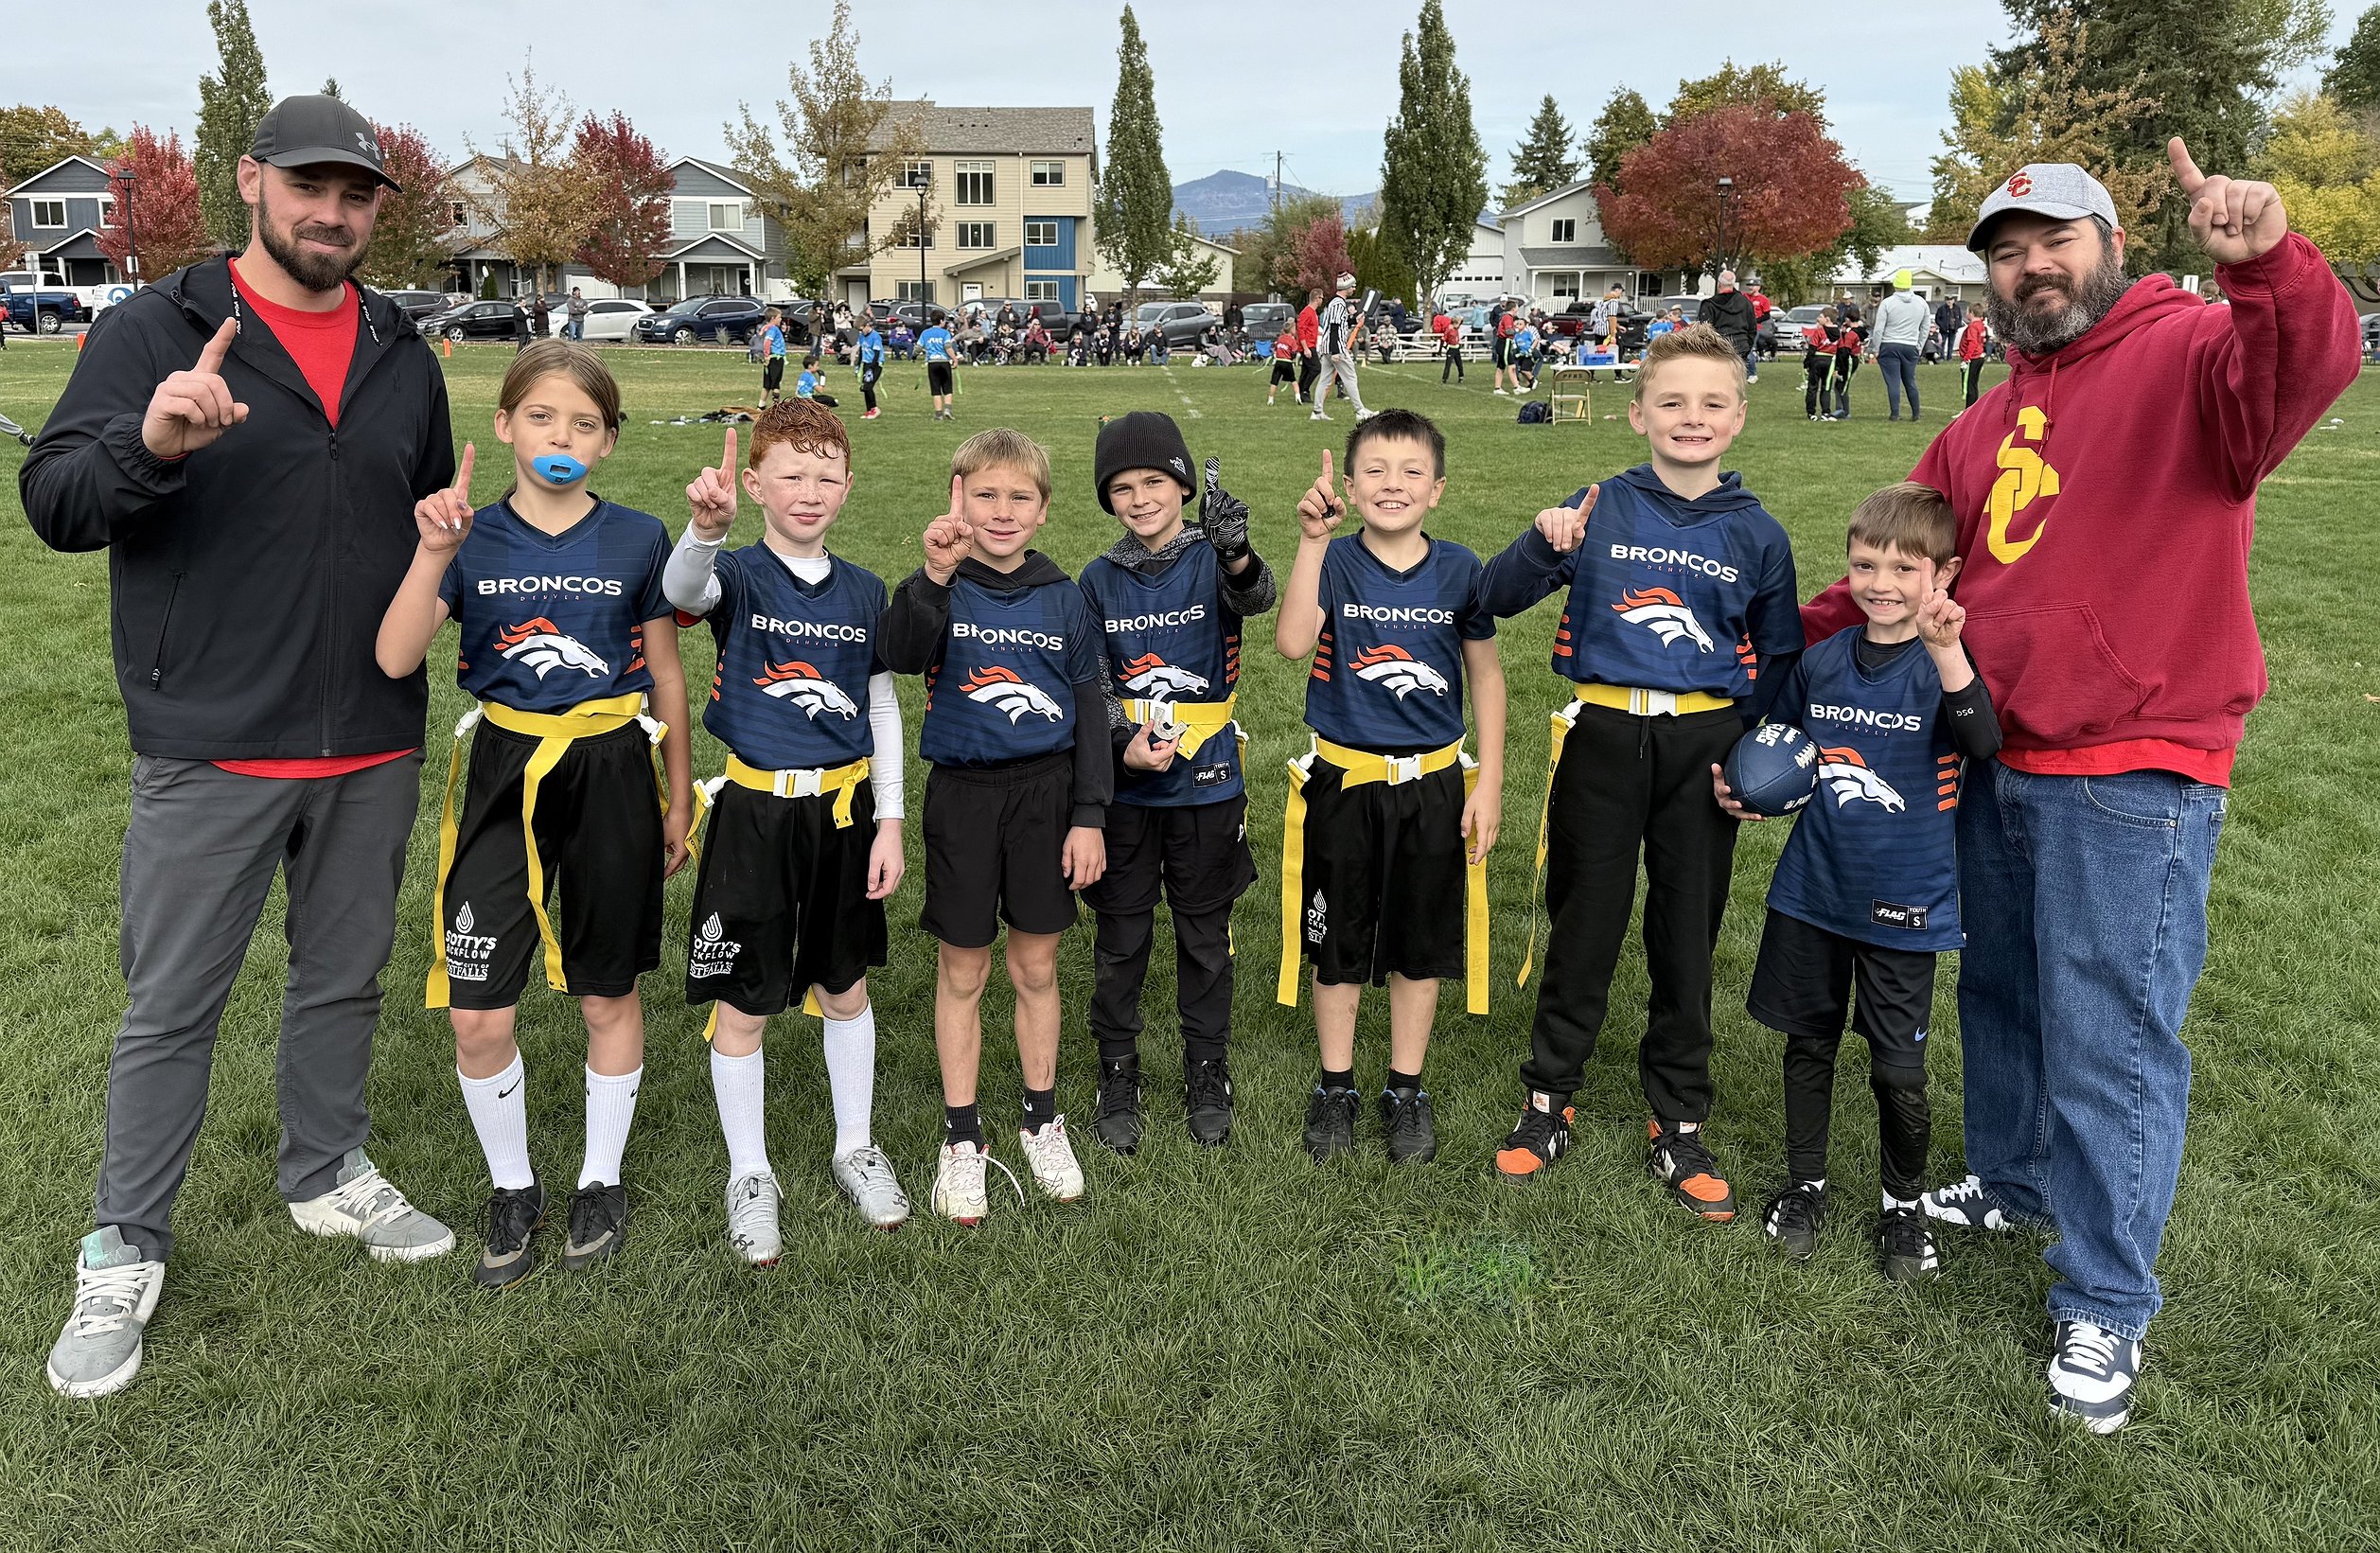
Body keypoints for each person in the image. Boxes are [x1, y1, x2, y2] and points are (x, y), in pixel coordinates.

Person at [1800, 145, 2359, 1434]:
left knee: (2109, 1035)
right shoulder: (1981, 423)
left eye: (2053, 240)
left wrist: (2269, 262)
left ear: (2110, 243)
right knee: (2000, 993)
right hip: (1995, 751)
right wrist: (1760, 641)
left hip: (2132, 764)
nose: (2030, 268)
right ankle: (2013, 1180)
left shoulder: (2190, 353)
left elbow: (2301, 368)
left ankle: (2104, 1295)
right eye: (2006, 253)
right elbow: (1895, 574)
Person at [25, 92, 456, 1399]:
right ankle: (124, 1244)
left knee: (343, 979)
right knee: (170, 1008)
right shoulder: (156, 327)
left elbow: (426, 521)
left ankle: (326, 1168)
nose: (332, 213)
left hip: (370, 735)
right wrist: (150, 443)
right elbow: (55, 499)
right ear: (250, 180)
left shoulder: (401, 349)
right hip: (212, 737)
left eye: (357, 194)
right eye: (308, 186)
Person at [378, 339, 693, 1289]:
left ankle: (600, 1179)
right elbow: (394, 657)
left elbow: (667, 673)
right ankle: (512, 1185)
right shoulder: (467, 534)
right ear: (506, 424)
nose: (562, 437)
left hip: (612, 766)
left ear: (608, 442)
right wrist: (433, 552)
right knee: (477, 1012)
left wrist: (679, 790)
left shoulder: (638, 537)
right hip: (503, 772)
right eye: (543, 417)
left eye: (584, 424)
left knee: (606, 991)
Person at [1482, 325, 1800, 1222]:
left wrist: (1753, 755)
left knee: (1685, 933)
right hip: (1604, 733)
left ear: (1737, 418)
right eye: (1671, 402)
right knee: (1583, 921)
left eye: (1710, 403)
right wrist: (1543, 542)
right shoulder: (1597, 505)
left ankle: (1679, 1117)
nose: (1690, 418)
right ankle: (1548, 1097)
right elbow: (1493, 597)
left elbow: (1778, 658)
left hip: (1704, 748)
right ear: (1637, 415)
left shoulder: (1757, 532)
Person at [1715, 483, 2001, 1282]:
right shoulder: (1823, 660)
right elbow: (1780, 748)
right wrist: (1747, 787)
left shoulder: (1943, 664)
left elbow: (1982, 742)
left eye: (1903, 568)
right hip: (1813, 890)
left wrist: (1946, 652)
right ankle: (1804, 1183)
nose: (1880, 583)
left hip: (1905, 901)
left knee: (1896, 1070)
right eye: (1864, 564)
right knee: (1807, 1042)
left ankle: (1901, 1205)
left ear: (1942, 574)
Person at [666, 401, 912, 1252]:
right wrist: (704, 531)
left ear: (848, 487)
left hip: (843, 813)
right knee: (745, 998)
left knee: (845, 983)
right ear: (754, 482)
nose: (809, 491)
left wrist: (890, 821)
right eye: (792, 475)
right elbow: (682, 592)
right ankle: (750, 1171)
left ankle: (856, 1145)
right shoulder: (735, 572)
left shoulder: (866, 591)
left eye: (825, 476)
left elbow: (882, 707)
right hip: (755, 812)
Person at [876, 431, 1112, 1224]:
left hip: (1047, 797)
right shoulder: (938, 582)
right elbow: (901, 653)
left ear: (1043, 510)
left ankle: (1042, 1119)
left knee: (1036, 966)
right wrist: (934, 575)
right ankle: (961, 1135)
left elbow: (1088, 710)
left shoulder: (1064, 595)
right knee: (963, 970)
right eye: (985, 495)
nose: (1001, 511)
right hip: (964, 797)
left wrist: (1088, 815)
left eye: (1019, 497)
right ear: (957, 499)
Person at [1274, 411, 1506, 1165]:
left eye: (1411, 472)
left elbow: (1486, 677)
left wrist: (1489, 781)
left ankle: (1405, 1088)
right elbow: (1291, 641)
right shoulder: (1334, 559)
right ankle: (1335, 1083)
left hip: (1432, 785)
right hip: (1344, 782)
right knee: (1335, 943)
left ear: (1437, 489)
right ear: (1348, 485)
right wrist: (1311, 542)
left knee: (1418, 945)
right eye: (1374, 470)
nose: (1392, 484)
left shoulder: (1461, 568)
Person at [1078, 415, 1278, 1153]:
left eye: (1154, 481)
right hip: (1127, 789)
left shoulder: (1211, 557)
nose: (1140, 498)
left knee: (1204, 935)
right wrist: (1122, 745)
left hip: (1208, 784)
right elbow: (1090, 679)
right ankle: (1117, 1068)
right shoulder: (1098, 578)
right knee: (1120, 935)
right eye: (1122, 488)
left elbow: (1256, 599)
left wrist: (1236, 553)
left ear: (1184, 484)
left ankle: (1206, 1066)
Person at [1866, 280, 1930, 422]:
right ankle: (1916, 414)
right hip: (1910, 345)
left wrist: (1876, 348)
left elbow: (1879, 329)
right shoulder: (1921, 303)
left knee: (1893, 382)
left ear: (1896, 285)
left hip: (1889, 344)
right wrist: (1919, 346)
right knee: (1910, 381)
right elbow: (1925, 327)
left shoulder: (1887, 303)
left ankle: (1895, 414)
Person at [1313, 274, 1371, 423]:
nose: (1354, 288)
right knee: (1350, 377)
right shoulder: (1338, 304)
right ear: (1346, 287)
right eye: (1353, 286)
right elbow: (1334, 327)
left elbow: (1341, 323)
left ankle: (1317, 411)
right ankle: (1360, 410)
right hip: (1336, 347)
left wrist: (1354, 319)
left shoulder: (1335, 302)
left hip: (1327, 347)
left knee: (1324, 380)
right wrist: (1336, 352)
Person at [1696, 269, 1758, 384]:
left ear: (1719, 284)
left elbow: (1702, 331)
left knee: (1716, 383)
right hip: (1740, 347)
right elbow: (1752, 329)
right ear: (1733, 284)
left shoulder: (1709, 305)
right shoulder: (1746, 303)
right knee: (1735, 384)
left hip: (1718, 348)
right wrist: (1746, 348)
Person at [1802, 305, 1841, 422]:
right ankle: (1825, 412)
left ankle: (1811, 413)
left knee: (1812, 387)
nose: (1818, 319)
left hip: (1817, 360)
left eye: (1820, 317)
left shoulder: (1819, 332)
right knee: (1826, 387)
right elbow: (1841, 350)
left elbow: (1812, 348)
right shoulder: (1839, 333)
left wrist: (1806, 364)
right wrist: (1838, 367)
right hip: (1831, 361)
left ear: (1827, 319)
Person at [919, 309, 956, 420]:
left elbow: (918, 347)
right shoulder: (945, 333)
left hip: (932, 363)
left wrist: (914, 356)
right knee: (947, 387)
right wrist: (954, 359)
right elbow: (948, 347)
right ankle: (948, 409)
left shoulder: (925, 333)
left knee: (936, 389)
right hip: (944, 362)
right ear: (941, 321)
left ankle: (938, 414)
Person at [1828, 306, 1863, 419]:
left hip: (1849, 360)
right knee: (1839, 385)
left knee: (1842, 385)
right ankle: (1841, 409)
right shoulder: (1859, 331)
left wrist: (1839, 369)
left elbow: (1845, 352)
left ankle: (1844, 411)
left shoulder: (1850, 335)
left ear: (1848, 319)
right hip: (1853, 358)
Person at [1956, 303, 1988, 413]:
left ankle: (1968, 411)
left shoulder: (1973, 326)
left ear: (1972, 313)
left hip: (1973, 358)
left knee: (1969, 385)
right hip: (1979, 356)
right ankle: (1973, 409)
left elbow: (1972, 343)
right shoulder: (1981, 325)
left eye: (1967, 311)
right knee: (1974, 384)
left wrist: (1966, 358)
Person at [855, 313, 884, 419]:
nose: (861, 332)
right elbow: (861, 351)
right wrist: (858, 365)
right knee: (864, 388)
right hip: (866, 364)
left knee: (868, 386)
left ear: (867, 326)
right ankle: (869, 410)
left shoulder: (875, 336)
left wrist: (871, 368)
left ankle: (875, 409)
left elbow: (877, 354)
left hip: (875, 365)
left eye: (861, 329)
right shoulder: (862, 336)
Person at [1296, 294, 1323, 406]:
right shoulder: (1306, 312)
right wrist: (1305, 348)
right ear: (1317, 298)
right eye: (1321, 298)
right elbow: (1301, 330)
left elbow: (1310, 329)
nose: (1322, 300)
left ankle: (1300, 391)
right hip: (1308, 346)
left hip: (1311, 345)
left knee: (1306, 370)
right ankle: (1304, 390)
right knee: (1316, 368)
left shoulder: (1313, 312)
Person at [759, 308, 788, 405]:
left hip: (772, 357)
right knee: (776, 383)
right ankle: (776, 405)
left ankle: (761, 405)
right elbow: (767, 342)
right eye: (779, 317)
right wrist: (767, 355)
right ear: (773, 318)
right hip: (776, 358)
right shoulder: (773, 329)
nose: (781, 319)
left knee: (767, 384)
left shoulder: (769, 328)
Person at [1268, 326, 1302, 405]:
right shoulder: (1292, 340)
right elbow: (1294, 351)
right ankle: (1298, 397)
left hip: (1279, 361)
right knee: (1293, 381)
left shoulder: (1280, 338)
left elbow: (1275, 348)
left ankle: (1270, 399)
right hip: (1287, 362)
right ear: (1291, 331)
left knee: (1274, 382)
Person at [1434, 306, 1464, 383]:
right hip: (1451, 348)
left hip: (1457, 348)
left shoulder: (1456, 329)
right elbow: (1443, 339)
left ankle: (1461, 376)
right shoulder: (1449, 330)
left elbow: (1461, 321)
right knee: (1448, 364)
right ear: (1454, 323)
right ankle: (1445, 378)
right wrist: (1440, 351)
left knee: (1459, 363)